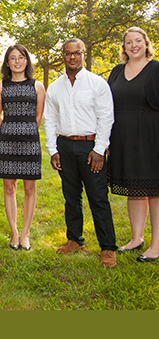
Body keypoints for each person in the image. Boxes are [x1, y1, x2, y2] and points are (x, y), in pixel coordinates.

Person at [44, 38, 118, 268]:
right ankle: (74, 239)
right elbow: (50, 119)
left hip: (91, 147)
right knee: (71, 196)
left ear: (84, 55)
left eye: (77, 53)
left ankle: (107, 247)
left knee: (98, 197)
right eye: (68, 53)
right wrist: (53, 150)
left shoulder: (97, 84)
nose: (72, 57)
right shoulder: (55, 87)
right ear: (63, 56)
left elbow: (106, 117)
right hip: (64, 146)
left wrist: (99, 149)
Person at [107, 27, 159, 262]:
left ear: (146, 43)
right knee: (135, 189)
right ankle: (136, 238)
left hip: (151, 138)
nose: (134, 45)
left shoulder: (156, 69)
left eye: (138, 41)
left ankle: (157, 246)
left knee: (155, 191)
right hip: (123, 139)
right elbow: (107, 106)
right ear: (124, 47)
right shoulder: (117, 71)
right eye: (129, 42)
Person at [0, 44, 45, 251]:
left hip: (30, 142)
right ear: (7, 63)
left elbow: (39, 116)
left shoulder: (37, 86)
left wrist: (26, 131)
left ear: (27, 61)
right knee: (9, 187)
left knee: (30, 188)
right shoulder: (0, 86)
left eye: (21, 57)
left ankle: (25, 233)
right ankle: (14, 232)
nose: (17, 61)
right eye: (13, 58)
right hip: (7, 142)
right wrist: (7, 130)